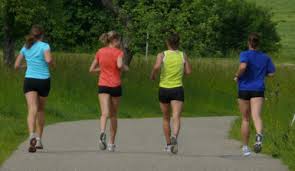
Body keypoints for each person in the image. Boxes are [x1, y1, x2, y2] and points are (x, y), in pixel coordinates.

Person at [234, 32, 275, 156]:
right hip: (258, 89)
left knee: (246, 119)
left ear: (249, 42)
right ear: (258, 43)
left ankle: (246, 148)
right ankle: (258, 137)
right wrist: (262, 74)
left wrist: (237, 75)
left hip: (244, 89)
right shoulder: (265, 57)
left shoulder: (245, 54)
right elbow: (272, 73)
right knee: (256, 116)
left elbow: (243, 66)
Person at [150, 32, 192, 154]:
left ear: (167, 42)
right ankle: (174, 136)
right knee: (176, 116)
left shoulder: (162, 55)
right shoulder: (183, 55)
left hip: (164, 89)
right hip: (177, 88)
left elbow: (157, 67)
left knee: (165, 118)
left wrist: (153, 74)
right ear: (178, 43)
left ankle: (168, 144)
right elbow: (189, 71)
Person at [14, 25, 53, 153]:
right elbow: (48, 60)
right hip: (43, 80)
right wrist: (53, 64)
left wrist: (27, 66)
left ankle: (31, 134)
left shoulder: (26, 47)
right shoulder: (45, 46)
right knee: (41, 109)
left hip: (29, 80)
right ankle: (39, 139)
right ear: (42, 35)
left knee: (32, 108)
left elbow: (16, 65)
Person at [89, 31, 128, 152]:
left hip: (103, 85)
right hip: (115, 85)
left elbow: (91, 69)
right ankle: (111, 143)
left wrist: (103, 68)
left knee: (104, 113)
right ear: (115, 40)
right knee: (114, 115)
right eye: (119, 40)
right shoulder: (119, 52)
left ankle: (102, 133)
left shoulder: (100, 51)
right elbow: (120, 65)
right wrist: (126, 67)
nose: (120, 43)